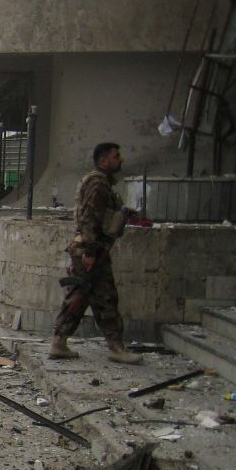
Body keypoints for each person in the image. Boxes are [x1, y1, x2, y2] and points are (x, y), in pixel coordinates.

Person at [49, 142, 142, 364]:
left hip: (89, 249)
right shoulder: (98, 184)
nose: (120, 160)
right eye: (115, 156)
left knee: (80, 297)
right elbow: (90, 217)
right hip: (91, 250)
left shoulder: (99, 183)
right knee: (105, 298)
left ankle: (59, 342)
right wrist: (90, 252)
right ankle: (116, 347)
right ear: (103, 161)